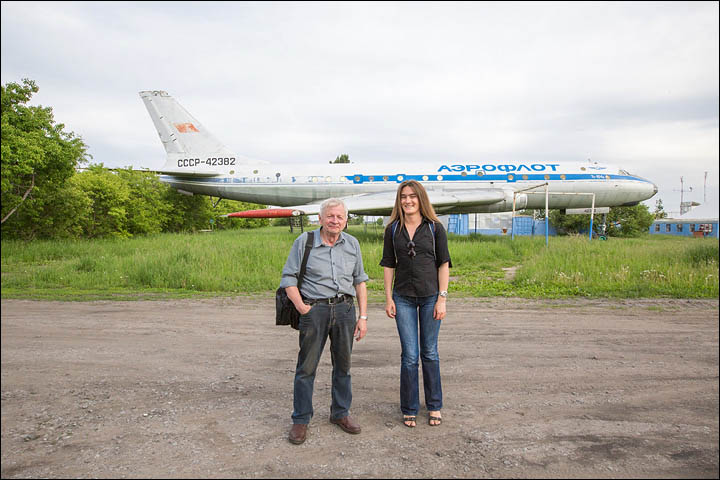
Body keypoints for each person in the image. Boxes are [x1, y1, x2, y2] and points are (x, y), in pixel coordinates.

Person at [280, 198, 369, 445]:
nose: (335, 221)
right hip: (314, 311)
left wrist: (362, 317)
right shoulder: (305, 241)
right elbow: (288, 278)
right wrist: (302, 308)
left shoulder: (352, 244)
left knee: (343, 367)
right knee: (306, 368)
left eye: (340, 217)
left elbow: (360, 281)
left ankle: (340, 414)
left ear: (346, 220)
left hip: (345, 311)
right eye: (330, 216)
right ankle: (300, 419)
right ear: (320, 218)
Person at [380, 180, 451, 428]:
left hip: (431, 296)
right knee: (410, 356)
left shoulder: (435, 228)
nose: (407, 201)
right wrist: (388, 297)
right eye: (403, 197)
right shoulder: (392, 230)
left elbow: (443, 264)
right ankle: (409, 407)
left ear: (421, 199)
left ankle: (434, 405)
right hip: (403, 298)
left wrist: (442, 298)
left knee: (429, 353)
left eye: (412, 196)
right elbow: (389, 264)